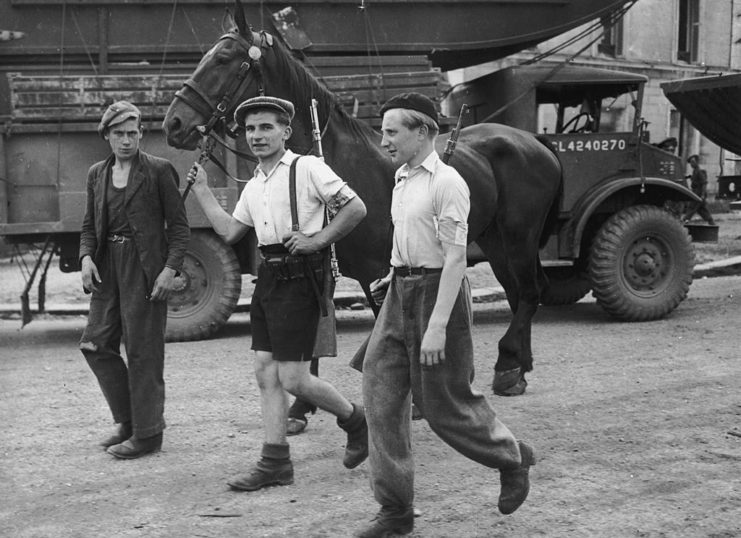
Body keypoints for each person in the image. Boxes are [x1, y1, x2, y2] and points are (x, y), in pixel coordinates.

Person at [355, 93, 535, 537]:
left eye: (392, 131)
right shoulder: (401, 177)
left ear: (423, 132)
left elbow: (456, 258)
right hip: (400, 292)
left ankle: (512, 458)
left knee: (444, 406)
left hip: (440, 297)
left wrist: (435, 327)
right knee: (379, 395)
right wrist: (394, 272)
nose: (384, 140)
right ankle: (395, 511)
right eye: (383, 131)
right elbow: (412, 236)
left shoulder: (448, 182)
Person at [187, 96, 368, 491]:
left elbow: (355, 208)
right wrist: (202, 191)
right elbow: (231, 232)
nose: (257, 136)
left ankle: (356, 419)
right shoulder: (255, 183)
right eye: (251, 129)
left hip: (302, 277)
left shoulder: (308, 168)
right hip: (268, 279)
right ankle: (275, 463)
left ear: (285, 132)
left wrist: (318, 239)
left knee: (294, 379)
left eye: (266, 127)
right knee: (265, 374)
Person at [79, 100, 190, 459]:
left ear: (141, 134)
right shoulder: (97, 173)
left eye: (132, 133)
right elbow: (87, 225)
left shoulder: (158, 170)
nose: (126, 140)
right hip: (107, 267)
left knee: (143, 352)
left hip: (145, 269)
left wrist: (169, 270)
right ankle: (128, 421)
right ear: (106, 136)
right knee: (95, 344)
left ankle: (148, 435)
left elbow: (179, 228)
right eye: (118, 134)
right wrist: (84, 258)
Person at [683, 154, 715, 225]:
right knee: (702, 209)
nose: (691, 164)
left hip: (699, 193)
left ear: (697, 162)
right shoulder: (695, 171)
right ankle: (711, 222)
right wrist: (688, 177)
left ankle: (685, 220)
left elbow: (704, 183)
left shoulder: (699, 171)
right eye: (691, 162)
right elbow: (695, 178)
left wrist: (703, 195)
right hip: (696, 192)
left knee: (692, 207)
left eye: (693, 162)